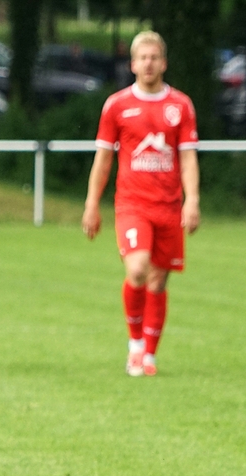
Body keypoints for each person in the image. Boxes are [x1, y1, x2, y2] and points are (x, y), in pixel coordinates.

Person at [81, 31, 200, 377]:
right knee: (137, 269)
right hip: (132, 204)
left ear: (164, 63)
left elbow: (188, 159)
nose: (148, 63)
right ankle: (135, 345)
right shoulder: (116, 105)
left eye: (154, 57)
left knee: (158, 280)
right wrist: (91, 204)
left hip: (169, 206)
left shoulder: (181, 105)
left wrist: (192, 200)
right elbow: (103, 160)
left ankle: (150, 354)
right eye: (142, 58)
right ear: (133, 64)